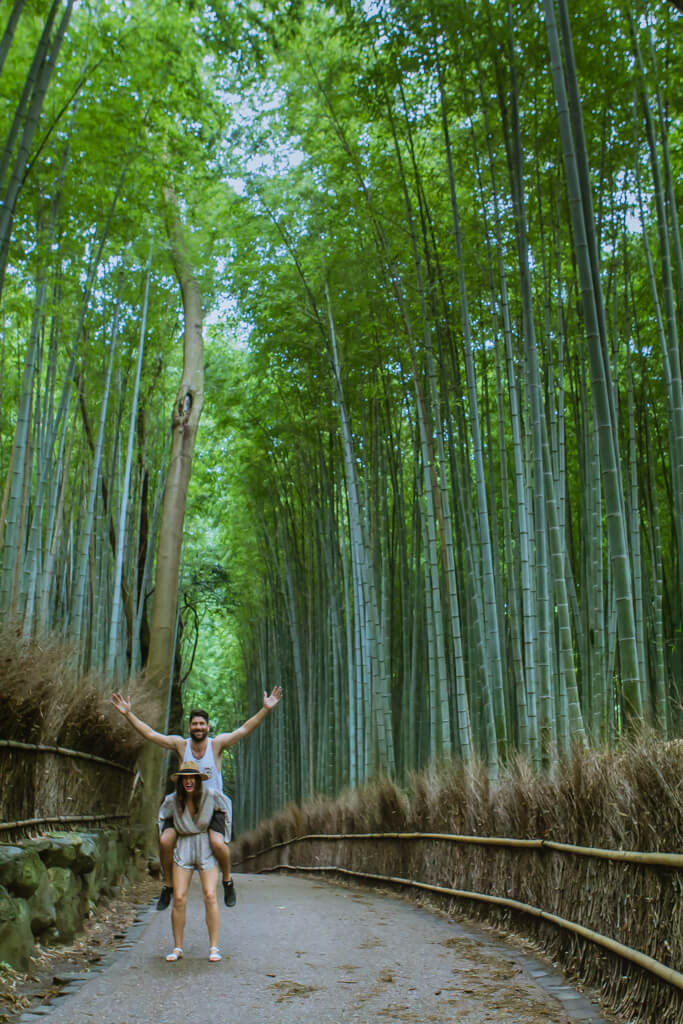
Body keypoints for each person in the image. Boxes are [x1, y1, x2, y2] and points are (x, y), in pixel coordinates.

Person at [111, 686, 283, 910]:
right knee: (164, 841)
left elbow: (243, 730)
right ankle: (168, 885)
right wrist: (128, 714)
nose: (198, 727)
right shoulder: (181, 745)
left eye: (202, 724)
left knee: (216, 843)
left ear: (208, 727)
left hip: (212, 807)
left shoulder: (217, 744)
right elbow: (151, 734)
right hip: (184, 806)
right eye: (195, 724)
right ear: (189, 727)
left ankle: (227, 881)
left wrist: (265, 709)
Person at [161, 760, 228, 962]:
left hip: (205, 844)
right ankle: (177, 947)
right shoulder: (172, 800)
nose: (188, 781)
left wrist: (221, 835)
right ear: (180, 780)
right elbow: (162, 818)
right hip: (183, 845)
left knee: (210, 895)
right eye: (185, 778)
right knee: (179, 897)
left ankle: (214, 947)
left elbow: (226, 810)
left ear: (198, 780)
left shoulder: (211, 795)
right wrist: (168, 835)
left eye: (192, 777)